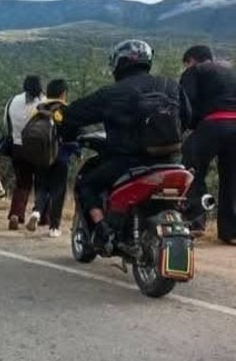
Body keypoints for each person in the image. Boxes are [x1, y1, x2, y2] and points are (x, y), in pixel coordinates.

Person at [60, 39, 191, 250]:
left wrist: (62, 124)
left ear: (118, 64)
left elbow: (74, 115)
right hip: (170, 161)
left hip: (127, 162)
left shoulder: (112, 93)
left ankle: (103, 230)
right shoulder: (171, 86)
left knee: (87, 184)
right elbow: (187, 117)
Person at [179, 45, 236, 243]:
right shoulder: (230, 71)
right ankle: (231, 231)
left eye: (185, 64)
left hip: (214, 122)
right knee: (232, 178)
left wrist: (185, 128)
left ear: (192, 60)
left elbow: (186, 104)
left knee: (191, 166)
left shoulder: (194, 71)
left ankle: (195, 221)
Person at [26, 79, 78, 237]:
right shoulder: (65, 109)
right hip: (60, 157)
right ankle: (54, 227)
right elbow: (72, 135)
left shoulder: (38, 109)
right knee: (58, 190)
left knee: (41, 187)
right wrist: (77, 151)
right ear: (63, 94)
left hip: (40, 155)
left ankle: (37, 211)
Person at [4, 75, 44, 230]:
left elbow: (5, 122)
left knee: (22, 183)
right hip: (39, 149)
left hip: (17, 147)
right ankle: (39, 214)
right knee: (41, 182)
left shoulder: (13, 100)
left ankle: (16, 214)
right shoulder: (44, 102)